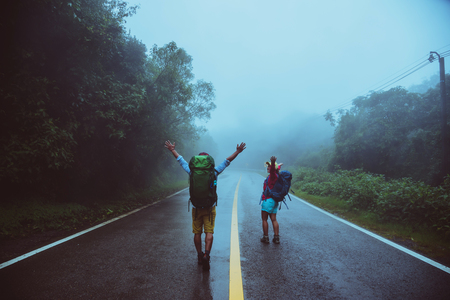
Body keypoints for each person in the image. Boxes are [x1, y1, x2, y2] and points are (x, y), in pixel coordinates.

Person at [164, 140, 246, 270]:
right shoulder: (213, 171)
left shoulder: (192, 171)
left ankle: (199, 255)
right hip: (209, 207)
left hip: (196, 207)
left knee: (197, 233)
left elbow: (181, 161)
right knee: (209, 231)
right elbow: (227, 161)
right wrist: (238, 151)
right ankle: (207, 255)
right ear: (209, 161)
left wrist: (172, 149)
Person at [260, 156, 282, 244]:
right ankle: (276, 238)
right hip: (274, 201)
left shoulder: (273, 176)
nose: (268, 168)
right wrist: (278, 165)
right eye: (267, 166)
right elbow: (276, 169)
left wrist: (273, 162)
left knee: (264, 219)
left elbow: (273, 170)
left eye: (269, 166)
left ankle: (265, 237)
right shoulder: (277, 175)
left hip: (268, 200)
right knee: (274, 219)